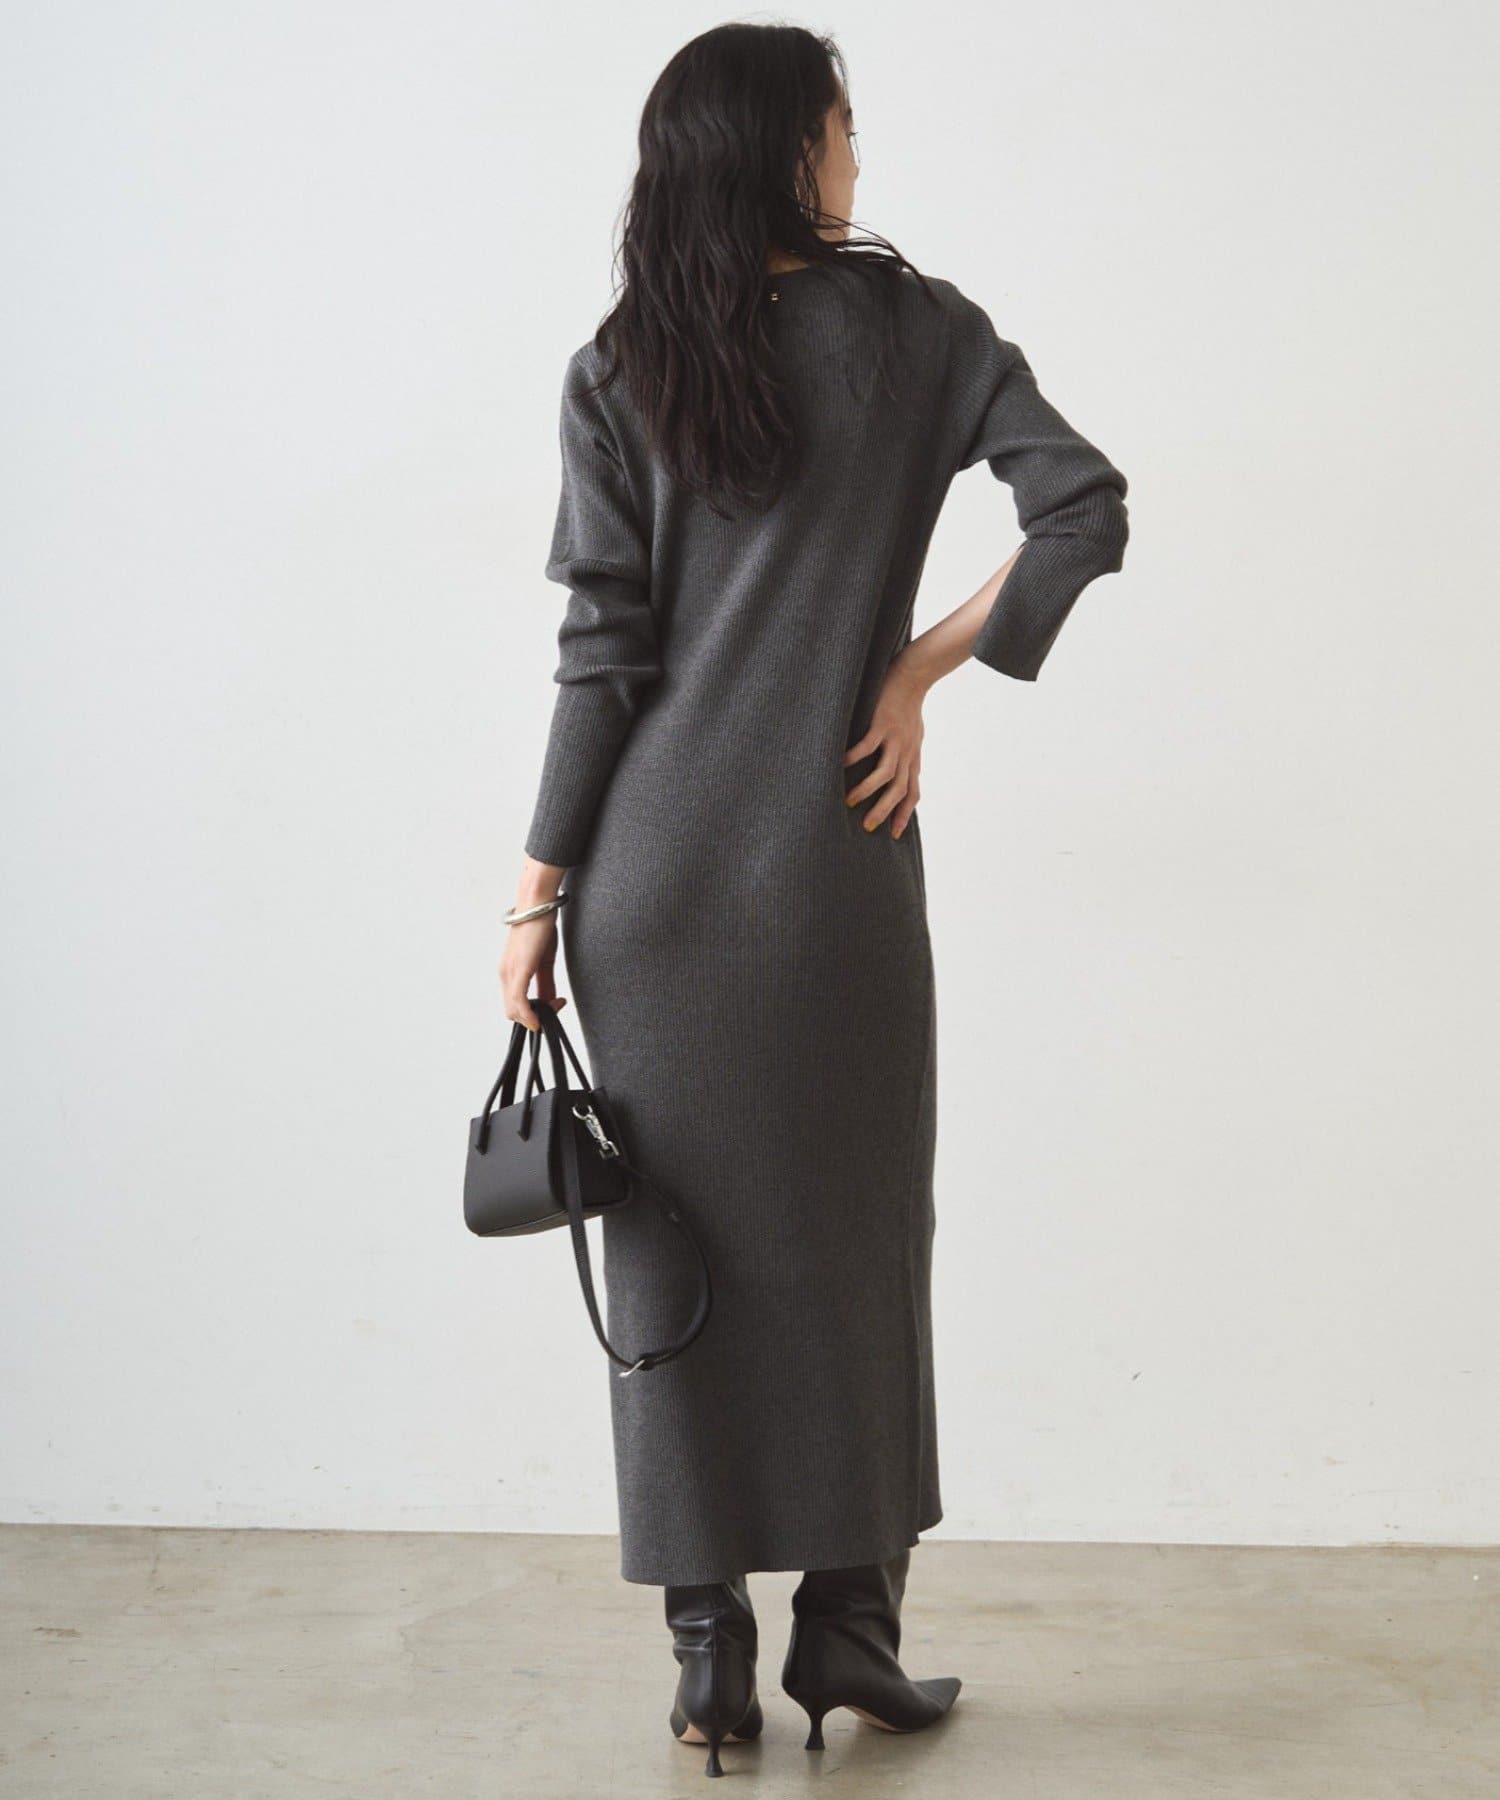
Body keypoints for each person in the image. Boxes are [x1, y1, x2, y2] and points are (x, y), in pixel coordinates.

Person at [499, 21, 1129, 1778]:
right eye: (844, 128)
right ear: (791, 153)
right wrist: (913, 673)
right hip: (834, 875)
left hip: (648, 893)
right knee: (858, 1249)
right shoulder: (919, 334)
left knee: (670, 1258)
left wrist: (539, 895)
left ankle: (707, 1658)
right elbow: (1083, 508)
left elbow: (604, 656)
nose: (860, 158)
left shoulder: (622, 364)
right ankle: (850, 1631)